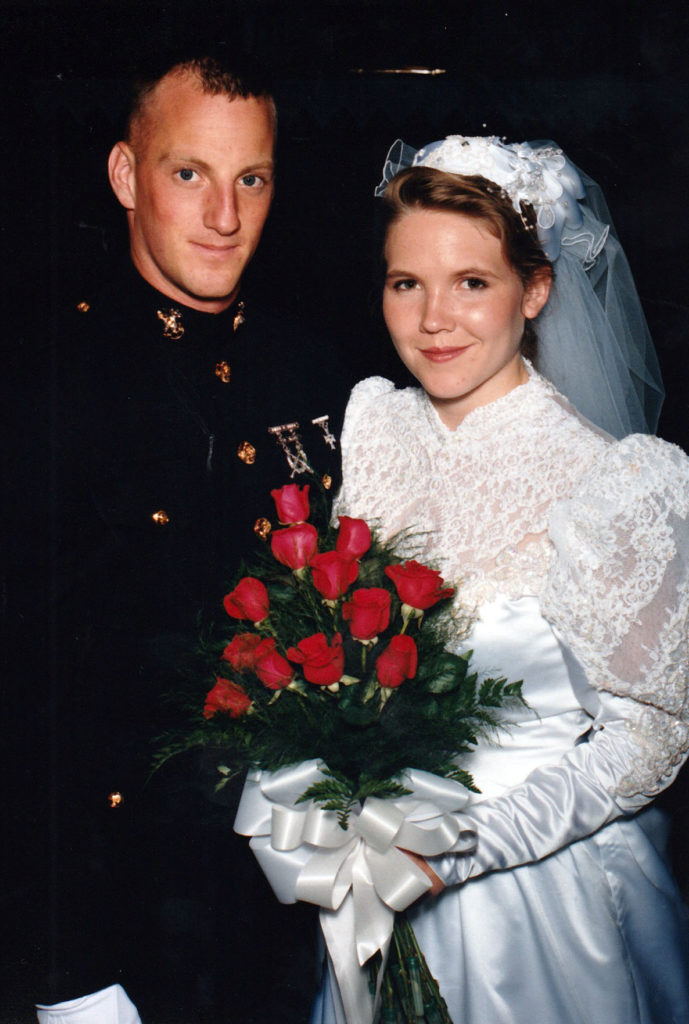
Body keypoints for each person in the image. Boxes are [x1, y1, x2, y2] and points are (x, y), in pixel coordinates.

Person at [311, 136, 689, 1022]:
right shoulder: (374, 426)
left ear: (537, 289)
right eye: (407, 283)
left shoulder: (616, 480)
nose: (434, 317)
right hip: (363, 887)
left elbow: (647, 740)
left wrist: (456, 852)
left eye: (471, 282)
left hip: (539, 907)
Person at [40, 53, 351, 1020]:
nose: (226, 216)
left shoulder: (320, 364)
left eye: (249, 179)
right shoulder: (45, 376)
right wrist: (61, 970)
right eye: (190, 175)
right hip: (117, 917)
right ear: (127, 177)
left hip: (288, 918)